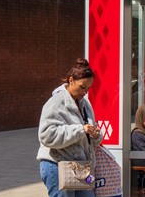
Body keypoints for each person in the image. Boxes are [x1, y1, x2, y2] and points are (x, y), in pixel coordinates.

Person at [37, 57, 101, 197]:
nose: (85, 92)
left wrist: (95, 135)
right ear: (71, 80)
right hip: (57, 165)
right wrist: (80, 130)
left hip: (81, 167)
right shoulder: (56, 102)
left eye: (88, 88)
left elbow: (90, 138)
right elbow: (46, 135)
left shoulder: (85, 104)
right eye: (82, 87)